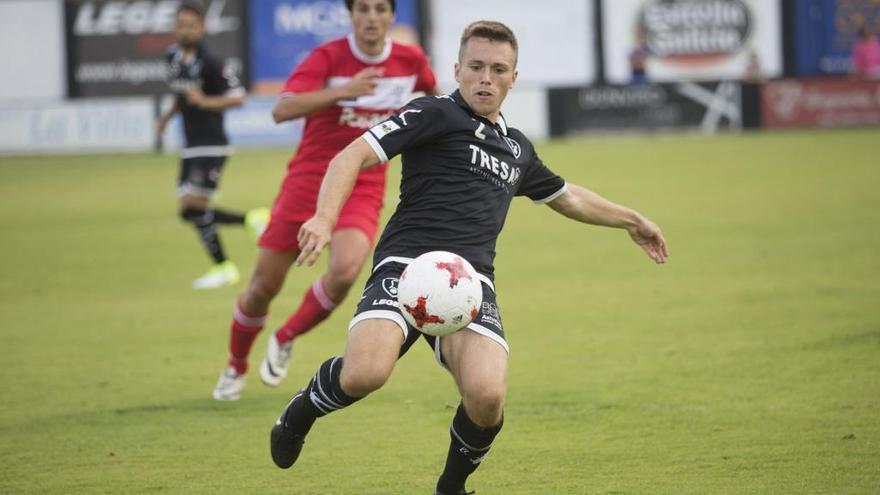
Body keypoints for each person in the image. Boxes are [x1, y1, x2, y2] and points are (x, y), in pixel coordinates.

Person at [269, 20, 669, 495]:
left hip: (470, 283)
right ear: (457, 70)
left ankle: (451, 488)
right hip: (406, 265)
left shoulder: (517, 148)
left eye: (498, 69)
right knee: (365, 374)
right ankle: (302, 411)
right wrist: (324, 218)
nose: (486, 78)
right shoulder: (434, 114)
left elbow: (567, 196)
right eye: (476, 67)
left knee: (487, 398)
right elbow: (351, 155)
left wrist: (632, 220)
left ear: (513, 78)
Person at [211, 0, 439, 400]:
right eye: (363, 9)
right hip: (308, 180)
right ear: (350, 15)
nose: (371, 17)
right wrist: (343, 91)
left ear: (391, 16)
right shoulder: (327, 57)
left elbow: (436, 102)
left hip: (364, 184)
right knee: (264, 286)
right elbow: (282, 110)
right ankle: (235, 365)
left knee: (346, 271)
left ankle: (286, 335)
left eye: (380, 9)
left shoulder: (410, 60)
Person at [156, 0, 268, 290]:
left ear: (202, 28)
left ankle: (223, 267)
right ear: (174, 28)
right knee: (187, 211)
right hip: (190, 143)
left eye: (191, 25)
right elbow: (181, 96)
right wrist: (167, 118)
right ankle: (251, 220)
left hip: (211, 143)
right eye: (180, 25)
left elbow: (238, 97)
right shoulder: (172, 58)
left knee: (194, 205)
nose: (185, 30)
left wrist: (205, 101)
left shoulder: (211, 61)